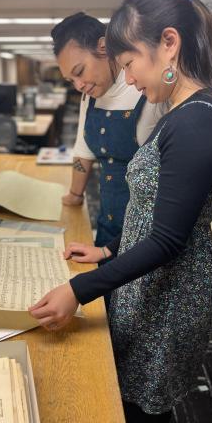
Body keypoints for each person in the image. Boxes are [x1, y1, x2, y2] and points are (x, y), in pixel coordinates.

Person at [29, 0, 212, 423]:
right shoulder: (182, 112)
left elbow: (166, 241)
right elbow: (157, 217)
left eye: (130, 64)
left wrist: (78, 291)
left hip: (171, 298)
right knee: (128, 405)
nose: (131, 78)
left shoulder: (200, 120)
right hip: (152, 285)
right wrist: (105, 252)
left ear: (169, 43)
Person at [51, 13, 164, 249]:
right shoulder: (89, 97)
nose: (78, 85)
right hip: (108, 223)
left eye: (79, 71)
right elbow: (83, 152)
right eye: (70, 80)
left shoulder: (147, 89)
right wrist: (75, 194)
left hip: (149, 235)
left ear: (103, 47)